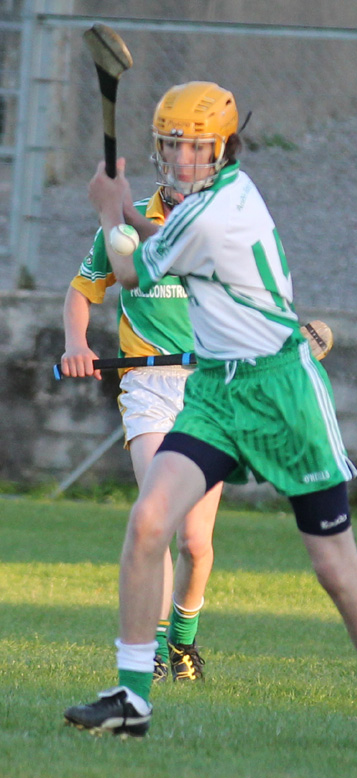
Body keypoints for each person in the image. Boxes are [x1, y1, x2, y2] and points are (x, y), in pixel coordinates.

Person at [64, 81, 357, 752]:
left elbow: (136, 269)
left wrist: (111, 211)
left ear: (222, 150)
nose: (179, 161)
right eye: (170, 146)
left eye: (194, 148)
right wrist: (122, 216)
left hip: (282, 394)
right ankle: (134, 696)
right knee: (149, 521)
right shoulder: (204, 205)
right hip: (217, 395)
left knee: (335, 569)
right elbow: (159, 238)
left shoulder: (222, 208)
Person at [60, 177, 223, 683]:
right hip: (147, 385)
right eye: (174, 153)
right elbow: (81, 292)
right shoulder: (120, 224)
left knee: (195, 542)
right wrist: (76, 344)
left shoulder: (218, 220)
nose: (184, 167)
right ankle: (148, 646)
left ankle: (181, 640)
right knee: (158, 513)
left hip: (208, 391)